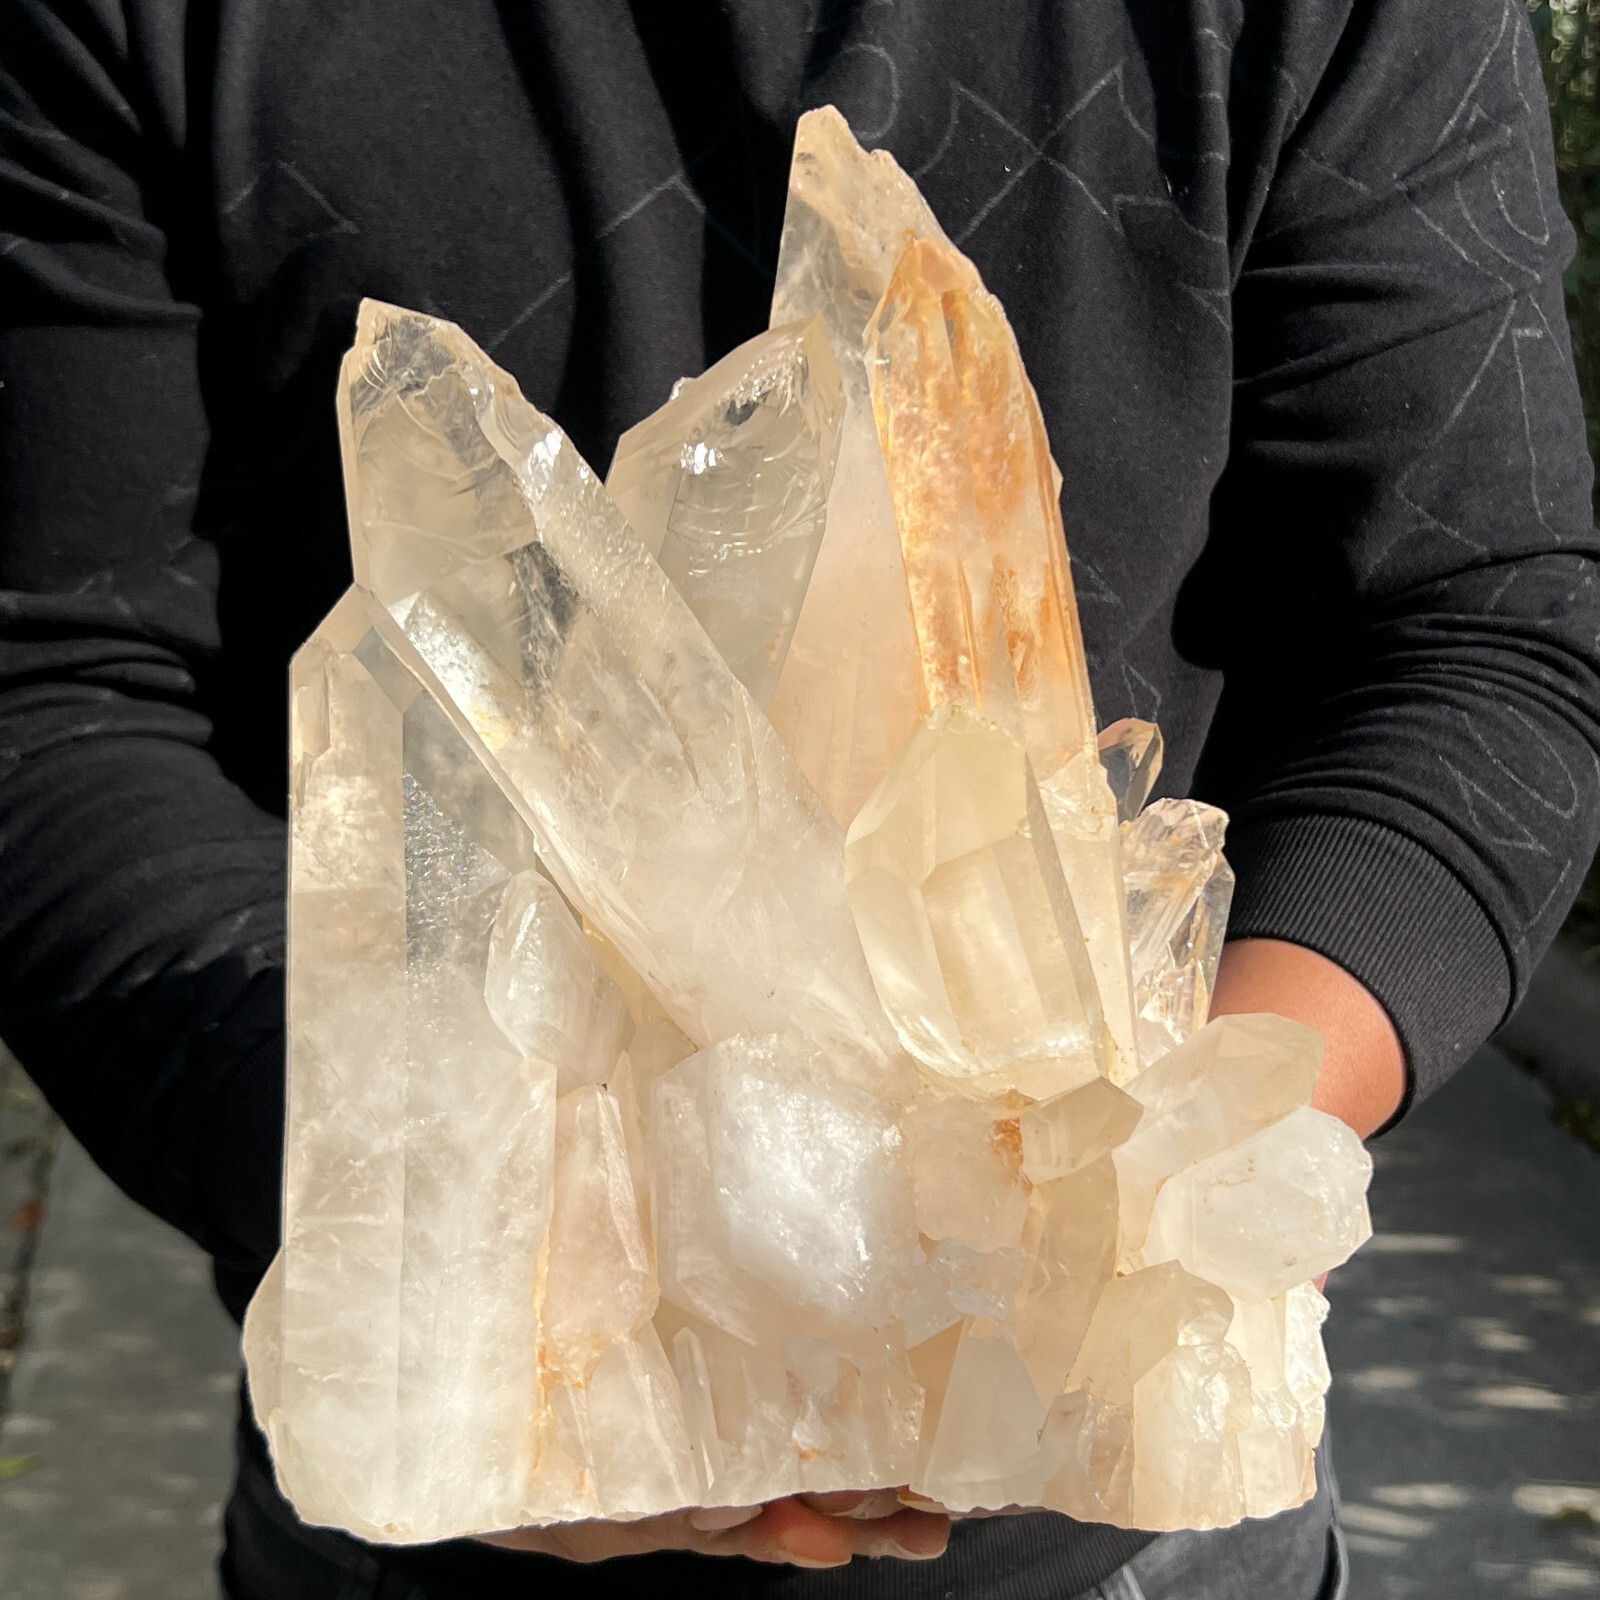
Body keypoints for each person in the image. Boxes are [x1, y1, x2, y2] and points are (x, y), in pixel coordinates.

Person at [1, 0, 1595, 1595]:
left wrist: (1164, 1180)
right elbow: (61, 694)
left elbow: (1484, 635)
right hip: (422, 1516)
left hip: (1137, 1543)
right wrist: (437, 1240)